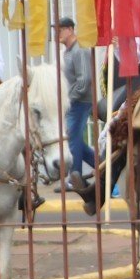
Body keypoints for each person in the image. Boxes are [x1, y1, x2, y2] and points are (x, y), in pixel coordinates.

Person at [56, 17, 95, 188]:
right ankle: (107, 168)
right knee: (77, 141)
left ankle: (74, 178)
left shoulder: (79, 50)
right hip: (73, 102)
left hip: (80, 102)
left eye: (60, 29)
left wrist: (68, 98)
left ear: (70, 30)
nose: (57, 33)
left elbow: (85, 80)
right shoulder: (68, 52)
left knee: (72, 138)